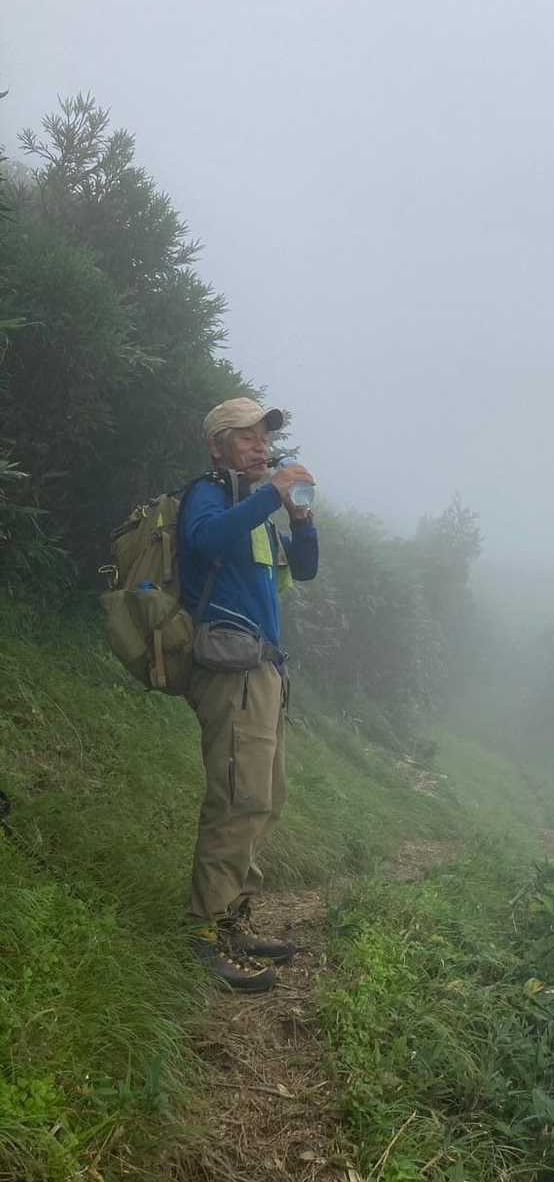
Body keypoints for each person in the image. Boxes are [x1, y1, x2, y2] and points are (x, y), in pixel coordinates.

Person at [177, 397, 319, 992]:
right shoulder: (208, 494)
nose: (261, 445)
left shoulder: (258, 510)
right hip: (230, 670)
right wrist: (269, 495)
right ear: (218, 447)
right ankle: (203, 932)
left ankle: (234, 918)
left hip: (264, 670)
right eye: (246, 436)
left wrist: (300, 517)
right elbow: (204, 540)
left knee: (265, 798)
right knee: (238, 799)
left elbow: (304, 570)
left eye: (265, 436)